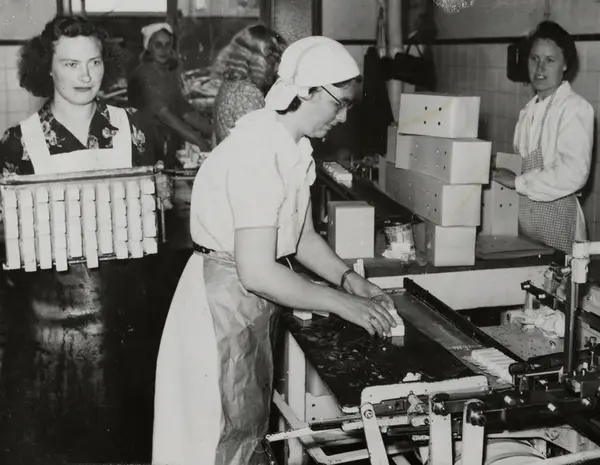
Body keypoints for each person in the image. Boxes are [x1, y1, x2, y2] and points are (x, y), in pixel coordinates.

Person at [152, 36, 397, 465]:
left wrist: (350, 281)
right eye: (339, 104)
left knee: (244, 432)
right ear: (307, 91)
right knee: (217, 441)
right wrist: (342, 304)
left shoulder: (293, 148)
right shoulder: (258, 151)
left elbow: (301, 238)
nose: (343, 117)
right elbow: (258, 272)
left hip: (243, 303)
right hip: (219, 305)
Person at [0, 16, 170, 463]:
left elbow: (154, 219)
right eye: (70, 64)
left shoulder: (135, 129)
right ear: (47, 67)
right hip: (47, 322)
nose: (85, 75)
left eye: (94, 62)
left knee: (127, 437)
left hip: (123, 312)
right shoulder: (19, 143)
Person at [492, 21, 593, 254]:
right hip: (526, 229)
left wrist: (517, 182)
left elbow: (573, 173)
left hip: (560, 227)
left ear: (565, 64)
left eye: (550, 60)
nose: (540, 68)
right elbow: (525, 166)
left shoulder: (575, 108)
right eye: (534, 59)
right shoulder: (528, 110)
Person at [127, 22, 211, 166]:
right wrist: (199, 140)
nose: (164, 50)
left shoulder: (166, 74)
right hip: (146, 144)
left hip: (166, 143)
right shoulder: (143, 75)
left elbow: (184, 111)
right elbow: (165, 115)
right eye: (158, 45)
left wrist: (213, 131)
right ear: (148, 46)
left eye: (167, 45)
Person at [211, 24, 287, 144]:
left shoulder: (231, 85)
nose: (276, 69)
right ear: (257, 60)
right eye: (272, 61)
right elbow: (260, 143)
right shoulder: (247, 92)